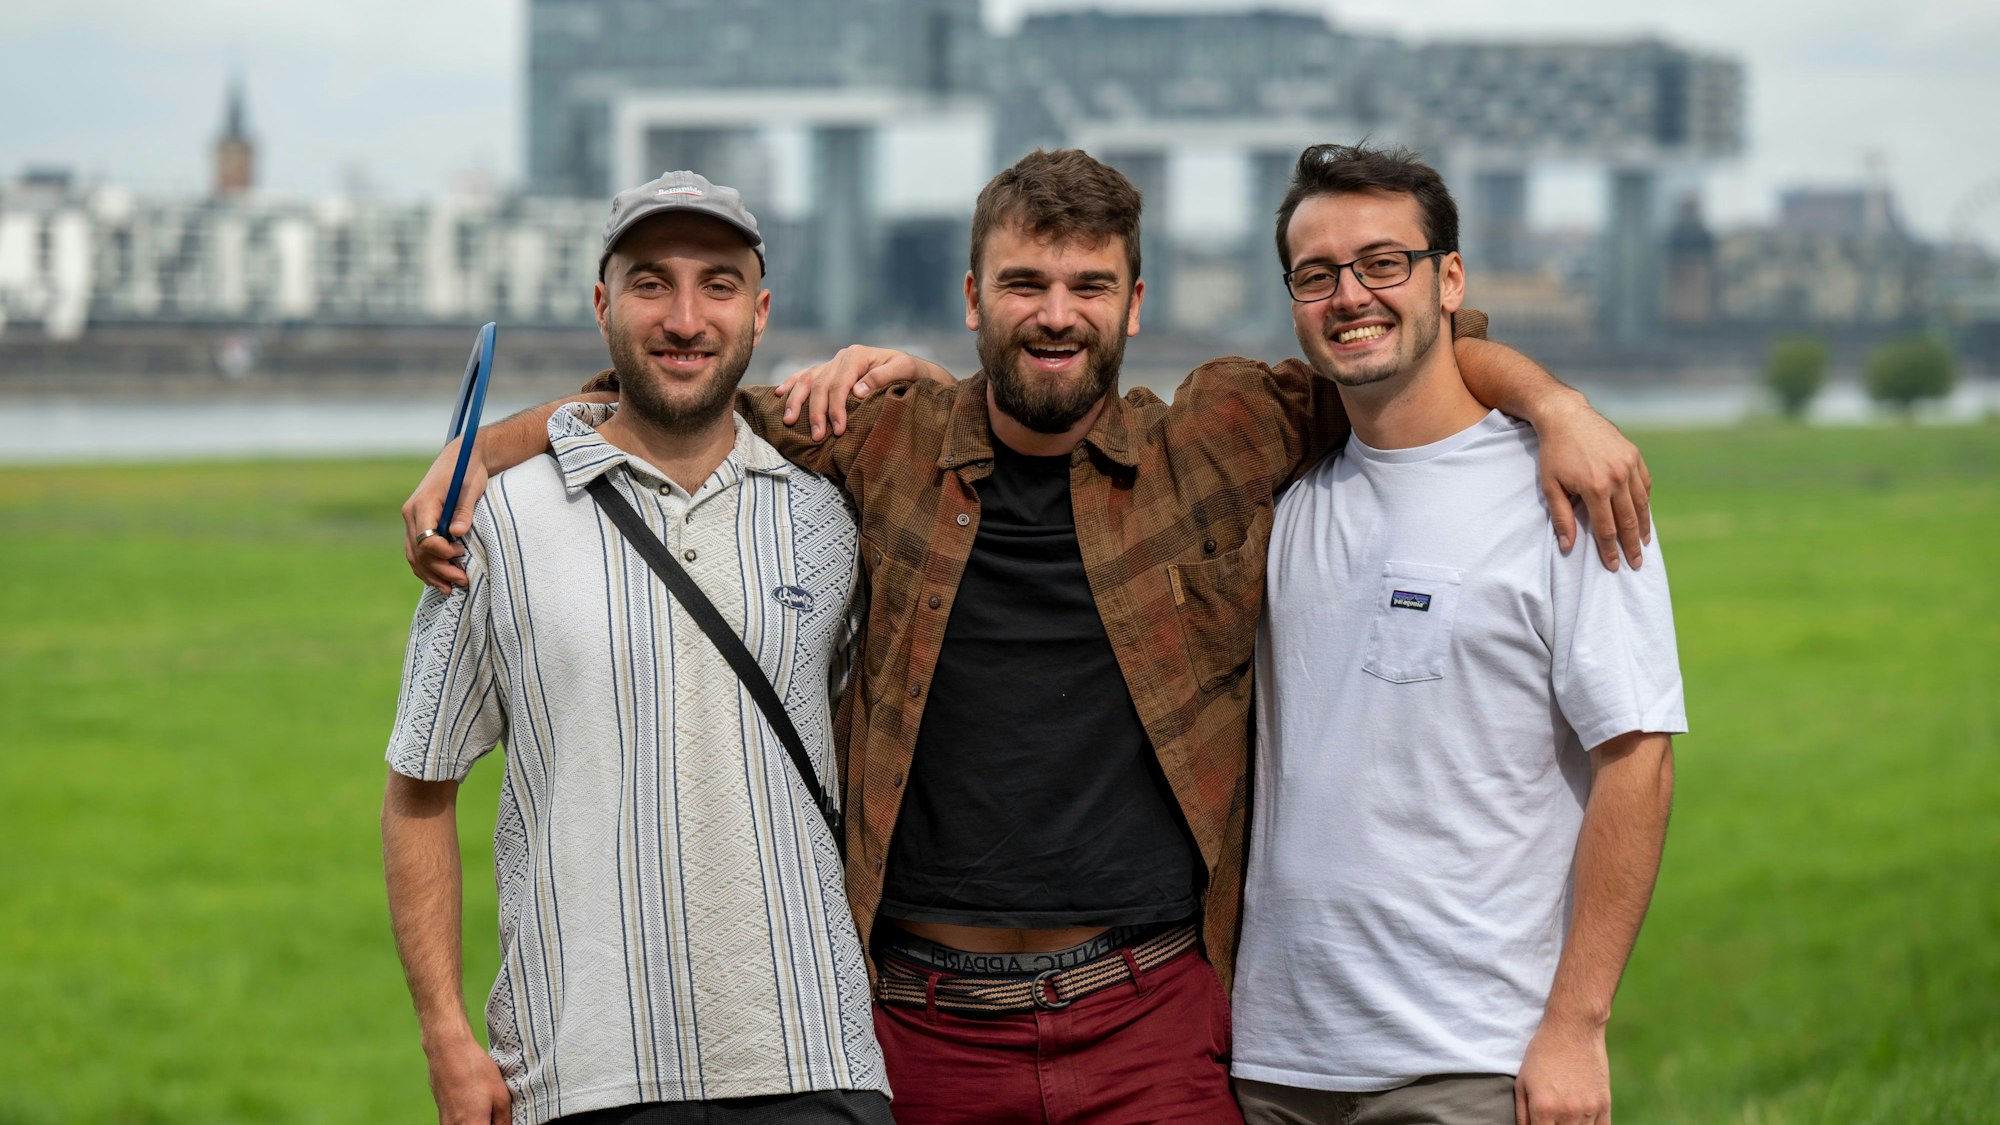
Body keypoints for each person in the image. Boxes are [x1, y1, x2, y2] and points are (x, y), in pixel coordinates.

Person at [402, 150, 1653, 1124]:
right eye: (1023, 285)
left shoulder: (1216, 437)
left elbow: (1414, 348)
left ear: (1132, 303)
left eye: (1087, 287)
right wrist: (473, 459)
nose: (1056, 315)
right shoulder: (882, 439)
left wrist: (1556, 406)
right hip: (920, 1025)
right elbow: (672, 395)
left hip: (1148, 1019)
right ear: (972, 299)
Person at [380, 171, 890, 1125]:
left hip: (819, 1057)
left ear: (760, 312)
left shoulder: (830, 517)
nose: (685, 318)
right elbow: (418, 789)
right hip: (583, 1072)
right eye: (651, 282)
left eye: (718, 285)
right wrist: (444, 1033)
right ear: (602, 304)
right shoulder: (496, 523)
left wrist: (913, 373)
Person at [1228, 143, 1685, 1125]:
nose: (1350, 295)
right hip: (1272, 1061)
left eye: (1382, 263)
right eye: (1316, 274)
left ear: (1449, 280)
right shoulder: (1282, 499)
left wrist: (1576, 1024)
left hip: (1471, 1056)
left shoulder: (1569, 491)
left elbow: (1637, 758)